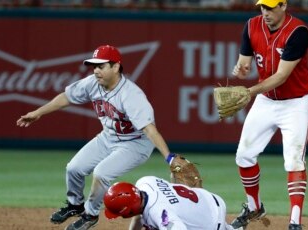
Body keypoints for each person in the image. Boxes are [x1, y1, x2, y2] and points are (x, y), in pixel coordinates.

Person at [16, 45, 179, 230]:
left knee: (101, 173)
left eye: (101, 66)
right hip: (107, 138)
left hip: (135, 144)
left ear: (116, 67)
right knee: (74, 168)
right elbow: (66, 97)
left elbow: (150, 130)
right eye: (94, 66)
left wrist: (169, 157)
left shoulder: (131, 95)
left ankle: (90, 215)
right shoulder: (93, 82)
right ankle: (75, 205)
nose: (96, 70)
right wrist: (38, 112)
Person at [229, 0, 308, 230]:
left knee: (294, 160)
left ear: (283, 6)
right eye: (262, 7)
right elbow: (244, 61)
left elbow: (281, 76)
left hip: (295, 102)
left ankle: (295, 221)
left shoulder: (298, 32)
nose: (265, 12)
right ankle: (254, 206)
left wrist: (249, 91)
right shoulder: (251, 25)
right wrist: (241, 68)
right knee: (244, 156)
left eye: (270, 7)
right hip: (266, 101)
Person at [103, 175, 241, 230]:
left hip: (212, 224)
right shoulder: (144, 181)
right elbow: (138, 214)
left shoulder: (159, 214)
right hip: (208, 198)